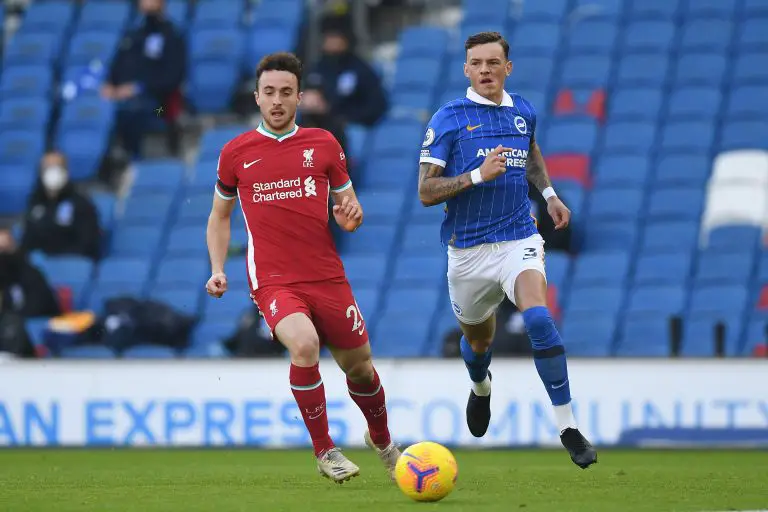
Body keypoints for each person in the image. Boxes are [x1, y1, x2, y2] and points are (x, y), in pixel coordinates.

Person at [205, 52, 400, 483]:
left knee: (361, 368)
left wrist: (351, 216)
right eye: (269, 92)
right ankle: (325, 450)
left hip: (326, 275)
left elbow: (348, 207)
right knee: (305, 345)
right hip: (274, 280)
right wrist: (218, 268)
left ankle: (383, 441)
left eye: (286, 92)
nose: (277, 100)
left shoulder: (324, 144)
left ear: (300, 97)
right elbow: (219, 216)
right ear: (257, 97)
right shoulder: (235, 153)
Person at [417, 32, 597, 469]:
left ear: (507, 68)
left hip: (519, 238)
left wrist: (550, 193)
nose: (485, 70)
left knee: (538, 314)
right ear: (466, 70)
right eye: (476, 63)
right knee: (478, 342)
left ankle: (568, 426)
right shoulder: (448, 119)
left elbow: (530, 152)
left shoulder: (523, 111)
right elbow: (425, 191)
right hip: (467, 254)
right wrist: (477, 175)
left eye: (493, 62)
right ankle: (480, 386)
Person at [101, 0, 185, 158]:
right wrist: (110, 86)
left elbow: (172, 78)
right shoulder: (133, 36)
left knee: (134, 109)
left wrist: (138, 88)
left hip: (160, 107)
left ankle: (128, 157)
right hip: (124, 100)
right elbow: (116, 67)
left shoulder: (171, 35)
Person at [305, 17, 387, 127]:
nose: (330, 41)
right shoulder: (317, 68)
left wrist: (345, 116)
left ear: (346, 39)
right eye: (327, 37)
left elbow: (376, 105)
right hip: (315, 123)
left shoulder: (361, 70)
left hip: (348, 125)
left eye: (335, 37)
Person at [22, 151, 102, 261]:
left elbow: (88, 243)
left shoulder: (81, 204)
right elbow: (27, 240)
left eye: (57, 167)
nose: (52, 172)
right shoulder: (35, 203)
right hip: (40, 263)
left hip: (71, 264)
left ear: (66, 171)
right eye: (48, 168)